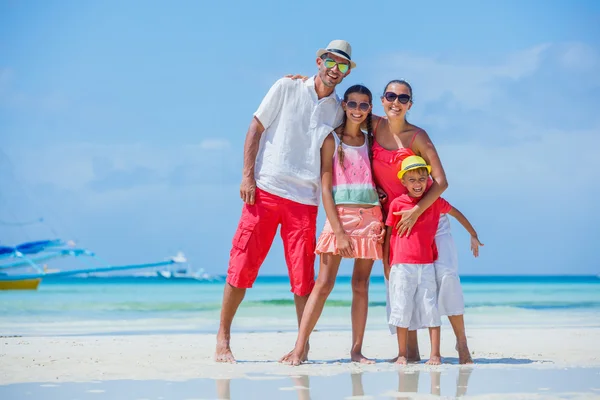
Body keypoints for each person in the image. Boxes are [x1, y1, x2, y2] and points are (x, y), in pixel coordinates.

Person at [214, 40, 354, 363]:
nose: (335, 69)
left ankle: (301, 347)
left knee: (303, 278)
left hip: (305, 201)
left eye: (342, 65)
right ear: (319, 61)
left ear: (346, 73)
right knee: (241, 265)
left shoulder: (337, 110)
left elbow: (361, 126)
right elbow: (255, 128)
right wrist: (247, 175)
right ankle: (223, 337)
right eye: (331, 61)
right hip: (264, 189)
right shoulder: (286, 87)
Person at [371, 80, 476, 364]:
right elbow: (340, 109)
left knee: (446, 277)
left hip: (429, 216)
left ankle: (462, 344)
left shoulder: (418, 135)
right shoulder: (373, 126)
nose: (396, 101)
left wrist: (417, 212)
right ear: (382, 99)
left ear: (410, 104)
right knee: (401, 284)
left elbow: (441, 182)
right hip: (395, 218)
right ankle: (411, 352)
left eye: (403, 97)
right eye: (391, 96)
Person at [280, 85, 383, 366]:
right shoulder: (331, 140)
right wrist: (338, 231)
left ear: (370, 108)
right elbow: (326, 188)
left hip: (370, 218)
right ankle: (299, 348)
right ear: (345, 106)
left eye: (364, 105)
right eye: (353, 104)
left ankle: (357, 351)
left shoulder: (372, 141)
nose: (358, 110)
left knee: (361, 285)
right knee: (323, 284)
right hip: (340, 217)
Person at [385, 156, 482, 365]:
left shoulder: (436, 202)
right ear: (403, 182)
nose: (418, 184)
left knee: (431, 307)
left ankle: (436, 353)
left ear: (428, 179)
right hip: (402, 265)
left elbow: (456, 213)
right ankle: (403, 353)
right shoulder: (397, 203)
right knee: (402, 307)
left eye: (422, 179)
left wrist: (473, 234)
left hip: (426, 264)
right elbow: (389, 234)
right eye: (412, 180)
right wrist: (387, 262)